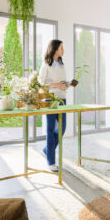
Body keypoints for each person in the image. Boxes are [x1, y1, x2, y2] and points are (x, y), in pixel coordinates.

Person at [38, 39, 72, 172]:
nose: (63, 50)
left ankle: (47, 150)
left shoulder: (61, 64)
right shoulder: (46, 64)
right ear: (55, 49)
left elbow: (61, 82)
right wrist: (57, 85)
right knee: (50, 129)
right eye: (61, 48)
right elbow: (41, 83)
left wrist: (67, 84)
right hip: (50, 99)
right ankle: (51, 162)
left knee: (62, 128)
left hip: (62, 99)